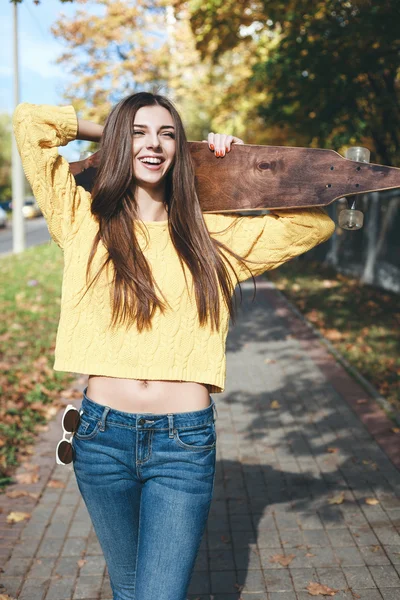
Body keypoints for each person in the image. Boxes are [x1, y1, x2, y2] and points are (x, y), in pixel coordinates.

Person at [13, 93, 335, 600]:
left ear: (180, 150)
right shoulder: (81, 220)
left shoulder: (210, 235)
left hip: (182, 446)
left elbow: (312, 223)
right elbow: (30, 122)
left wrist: (246, 162)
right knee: (128, 588)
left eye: (167, 134)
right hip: (102, 440)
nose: (154, 144)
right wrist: (111, 130)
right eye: (140, 132)